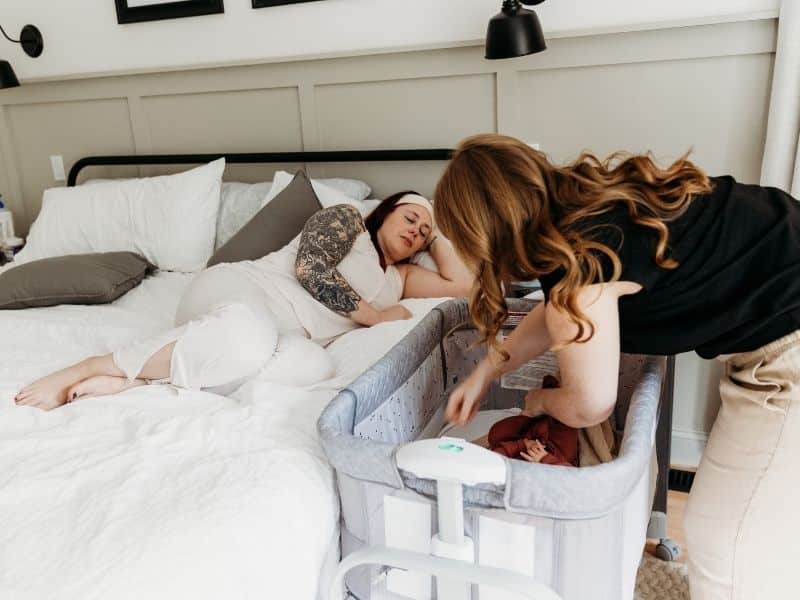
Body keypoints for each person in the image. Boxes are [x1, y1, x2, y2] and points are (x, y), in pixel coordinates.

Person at [433, 133, 800, 600]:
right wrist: (485, 372)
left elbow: (589, 404)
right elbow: (556, 311)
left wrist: (538, 400)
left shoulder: (579, 266)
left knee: (723, 543)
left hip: (787, 343)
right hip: (781, 282)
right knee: (757, 519)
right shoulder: (582, 210)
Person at [15, 191, 473, 411]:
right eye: (410, 218)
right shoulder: (347, 219)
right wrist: (375, 317)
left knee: (313, 369)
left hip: (286, 334)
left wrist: (438, 234)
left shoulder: (400, 277)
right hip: (244, 292)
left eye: (422, 233)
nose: (415, 231)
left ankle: (140, 382)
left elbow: (464, 285)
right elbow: (311, 269)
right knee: (247, 337)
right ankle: (93, 365)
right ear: (385, 211)